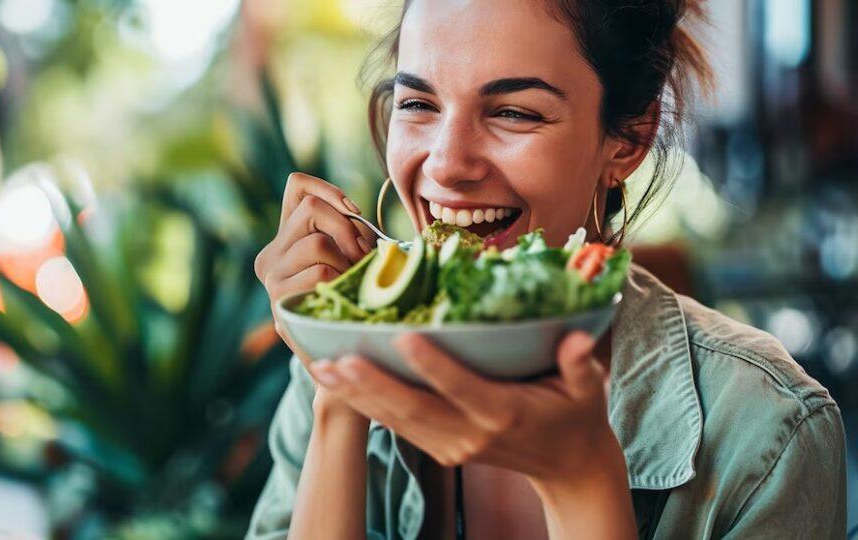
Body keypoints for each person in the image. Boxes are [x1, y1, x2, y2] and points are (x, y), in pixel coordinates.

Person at [248, 0, 847, 538]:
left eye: (514, 112)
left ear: (629, 137)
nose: (448, 164)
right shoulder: (337, 360)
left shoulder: (771, 431)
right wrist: (340, 388)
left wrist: (581, 480)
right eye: (418, 103)